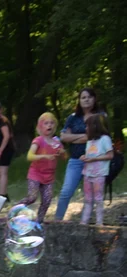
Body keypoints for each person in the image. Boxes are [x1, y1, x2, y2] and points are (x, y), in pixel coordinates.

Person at [55, 88, 105, 221]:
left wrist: (73, 137)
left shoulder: (100, 116)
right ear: (79, 100)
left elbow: (97, 136)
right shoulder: (72, 117)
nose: (86, 99)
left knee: (91, 195)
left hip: (95, 161)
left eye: (89, 97)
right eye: (83, 97)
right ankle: (57, 220)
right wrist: (84, 136)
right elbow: (63, 137)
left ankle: (85, 222)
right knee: (66, 192)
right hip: (75, 160)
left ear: (94, 99)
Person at [21, 112, 65, 222]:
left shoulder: (57, 142)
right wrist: (44, 156)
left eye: (51, 123)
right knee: (32, 197)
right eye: (46, 123)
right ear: (40, 126)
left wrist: (63, 152)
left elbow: (64, 158)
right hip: (35, 173)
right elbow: (29, 156)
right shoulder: (38, 140)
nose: (49, 125)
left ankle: (39, 221)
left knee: (47, 199)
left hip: (49, 176)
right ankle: (17, 208)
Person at [80, 115, 113, 226]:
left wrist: (95, 159)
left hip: (99, 174)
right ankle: (84, 222)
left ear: (95, 126)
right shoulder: (90, 141)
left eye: (87, 126)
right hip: (87, 173)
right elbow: (89, 154)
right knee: (88, 199)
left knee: (98, 199)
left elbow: (110, 155)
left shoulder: (105, 139)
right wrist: (84, 157)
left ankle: (99, 223)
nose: (86, 128)